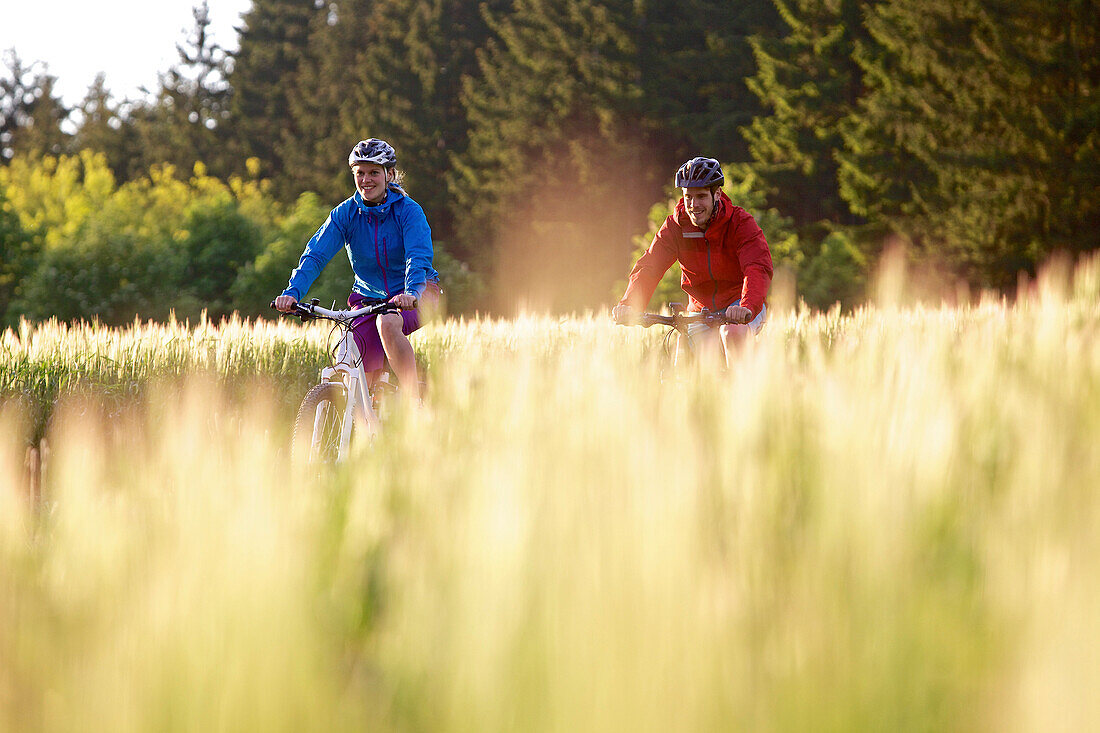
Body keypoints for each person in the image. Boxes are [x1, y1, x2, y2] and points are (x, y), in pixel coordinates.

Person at [274, 138, 441, 402]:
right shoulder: (345, 214)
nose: (366, 180)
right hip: (367, 301)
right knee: (356, 375)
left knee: (388, 321)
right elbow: (315, 255)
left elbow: (417, 257)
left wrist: (410, 292)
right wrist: (292, 293)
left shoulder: (409, 212)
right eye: (359, 173)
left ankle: (413, 402)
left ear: (390, 175)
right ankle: (367, 435)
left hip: (418, 294)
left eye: (374, 172)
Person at [612, 157, 773, 367]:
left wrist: (746, 306)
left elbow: (757, 268)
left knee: (732, 332)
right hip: (701, 310)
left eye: (701, 196)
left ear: (717, 194)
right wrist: (630, 304)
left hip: (741, 304)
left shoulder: (740, 223)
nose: (693, 205)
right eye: (688, 196)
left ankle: (744, 394)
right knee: (683, 361)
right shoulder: (676, 226)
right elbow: (650, 266)